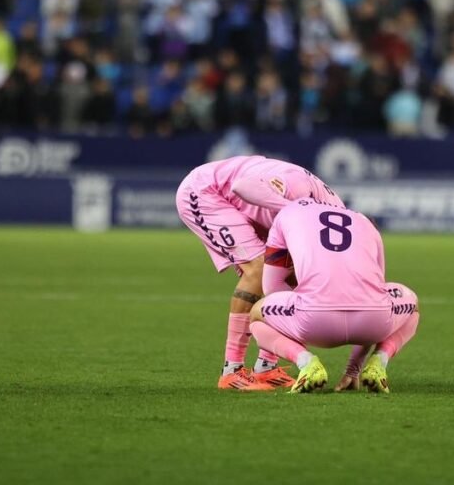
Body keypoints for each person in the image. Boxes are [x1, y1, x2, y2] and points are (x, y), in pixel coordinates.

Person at [175, 156, 345, 390]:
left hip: (251, 207)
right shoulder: (297, 187)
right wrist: (294, 210)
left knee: (297, 279)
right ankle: (231, 371)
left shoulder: (336, 214)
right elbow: (242, 186)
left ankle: (266, 367)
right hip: (206, 192)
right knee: (258, 270)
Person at [248, 198, 420, 393]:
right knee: (411, 307)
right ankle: (378, 362)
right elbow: (375, 291)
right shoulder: (364, 222)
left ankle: (306, 363)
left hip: (314, 322)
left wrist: (297, 311)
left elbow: (271, 288)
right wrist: (352, 370)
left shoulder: (286, 214)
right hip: (374, 322)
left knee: (256, 314)